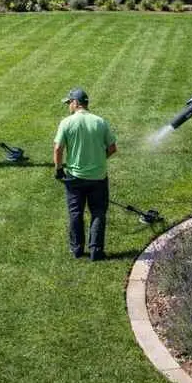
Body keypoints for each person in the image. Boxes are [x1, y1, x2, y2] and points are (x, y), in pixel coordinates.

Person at [54, 88, 117, 261]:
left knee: (76, 213)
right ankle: (96, 250)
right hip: (98, 177)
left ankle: (77, 249)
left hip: (74, 177)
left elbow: (58, 148)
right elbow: (112, 148)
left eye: (69, 103)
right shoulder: (100, 122)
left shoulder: (66, 123)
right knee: (98, 212)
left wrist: (59, 169)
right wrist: (99, 159)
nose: (68, 106)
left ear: (75, 103)